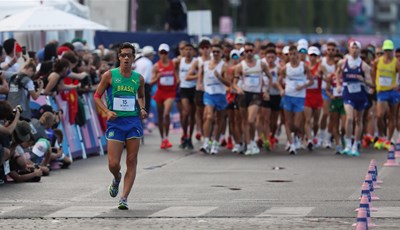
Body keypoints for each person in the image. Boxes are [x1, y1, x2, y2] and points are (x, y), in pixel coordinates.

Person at [94, 42, 147, 210]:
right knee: (113, 164)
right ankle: (117, 178)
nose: (126, 58)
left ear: (133, 57)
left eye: (129, 55)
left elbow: (140, 96)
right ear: (119, 57)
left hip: (133, 122)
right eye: (123, 55)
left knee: (131, 160)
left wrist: (143, 108)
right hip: (115, 123)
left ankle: (124, 197)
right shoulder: (109, 75)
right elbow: (96, 96)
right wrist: (106, 112)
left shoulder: (138, 78)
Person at [234, 42, 272, 155]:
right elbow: (234, 83)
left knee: (251, 120)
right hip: (244, 94)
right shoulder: (240, 66)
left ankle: (252, 141)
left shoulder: (261, 64)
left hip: (256, 95)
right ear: (244, 52)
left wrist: (267, 91)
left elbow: (270, 77)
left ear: (254, 51)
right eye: (247, 51)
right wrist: (237, 88)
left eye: (251, 50)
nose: (249, 53)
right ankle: (249, 144)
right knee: (244, 121)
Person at [336, 41, 373, 156]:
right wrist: (338, 84)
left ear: (360, 50)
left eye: (357, 48)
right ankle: (347, 144)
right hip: (348, 93)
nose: (354, 50)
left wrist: (362, 79)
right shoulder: (343, 62)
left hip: (360, 95)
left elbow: (371, 83)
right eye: (353, 48)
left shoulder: (364, 66)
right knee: (350, 118)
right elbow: (337, 73)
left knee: (358, 120)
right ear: (349, 49)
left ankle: (355, 145)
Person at [277, 45, 313, 155]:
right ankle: (291, 144)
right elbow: (278, 81)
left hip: (300, 97)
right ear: (288, 55)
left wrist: (302, 86)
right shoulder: (285, 68)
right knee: (288, 122)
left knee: (296, 124)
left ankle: (297, 137)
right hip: (288, 96)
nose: (293, 56)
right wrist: (281, 90)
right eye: (290, 54)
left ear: (298, 54)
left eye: (294, 54)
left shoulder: (304, 66)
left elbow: (311, 81)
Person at [198, 43, 230, 155]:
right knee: (209, 116)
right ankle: (206, 142)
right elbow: (200, 75)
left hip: (220, 94)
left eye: (218, 52)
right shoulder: (205, 64)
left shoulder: (224, 66)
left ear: (221, 53)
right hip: (208, 94)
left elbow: (229, 83)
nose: (215, 53)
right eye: (214, 51)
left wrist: (219, 77)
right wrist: (199, 84)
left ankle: (215, 142)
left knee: (220, 120)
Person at [372, 39, 400, 149]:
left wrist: (398, 83)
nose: (387, 52)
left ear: (392, 51)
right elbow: (373, 70)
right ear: (383, 50)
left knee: (392, 116)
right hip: (382, 92)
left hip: (393, 92)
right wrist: (375, 82)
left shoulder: (396, 63)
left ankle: (388, 140)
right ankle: (381, 136)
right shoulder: (378, 61)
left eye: (389, 50)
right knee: (379, 115)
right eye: (386, 50)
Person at [150, 43, 178, 149]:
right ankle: (163, 139)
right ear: (158, 53)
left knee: (166, 114)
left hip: (170, 93)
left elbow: (177, 75)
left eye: (165, 52)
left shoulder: (173, 64)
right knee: (161, 117)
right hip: (160, 93)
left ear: (168, 53)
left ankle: (166, 137)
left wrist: (178, 80)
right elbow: (151, 82)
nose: (163, 55)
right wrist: (157, 77)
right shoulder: (156, 66)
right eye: (161, 52)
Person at [175, 43, 196, 149]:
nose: (188, 51)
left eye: (190, 49)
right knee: (185, 112)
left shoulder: (196, 61)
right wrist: (177, 77)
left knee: (192, 115)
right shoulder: (179, 60)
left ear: (193, 51)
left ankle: (189, 138)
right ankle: (185, 134)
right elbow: (173, 68)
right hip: (183, 89)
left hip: (194, 89)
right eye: (186, 49)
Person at [304, 46, 323, 151]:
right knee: (307, 119)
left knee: (316, 121)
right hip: (307, 95)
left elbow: (327, 76)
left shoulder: (320, 67)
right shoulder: (305, 66)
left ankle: (315, 135)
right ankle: (310, 140)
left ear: (317, 57)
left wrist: (321, 75)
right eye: (311, 55)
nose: (312, 58)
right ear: (308, 56)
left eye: (315, 56)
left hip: (317, 96)